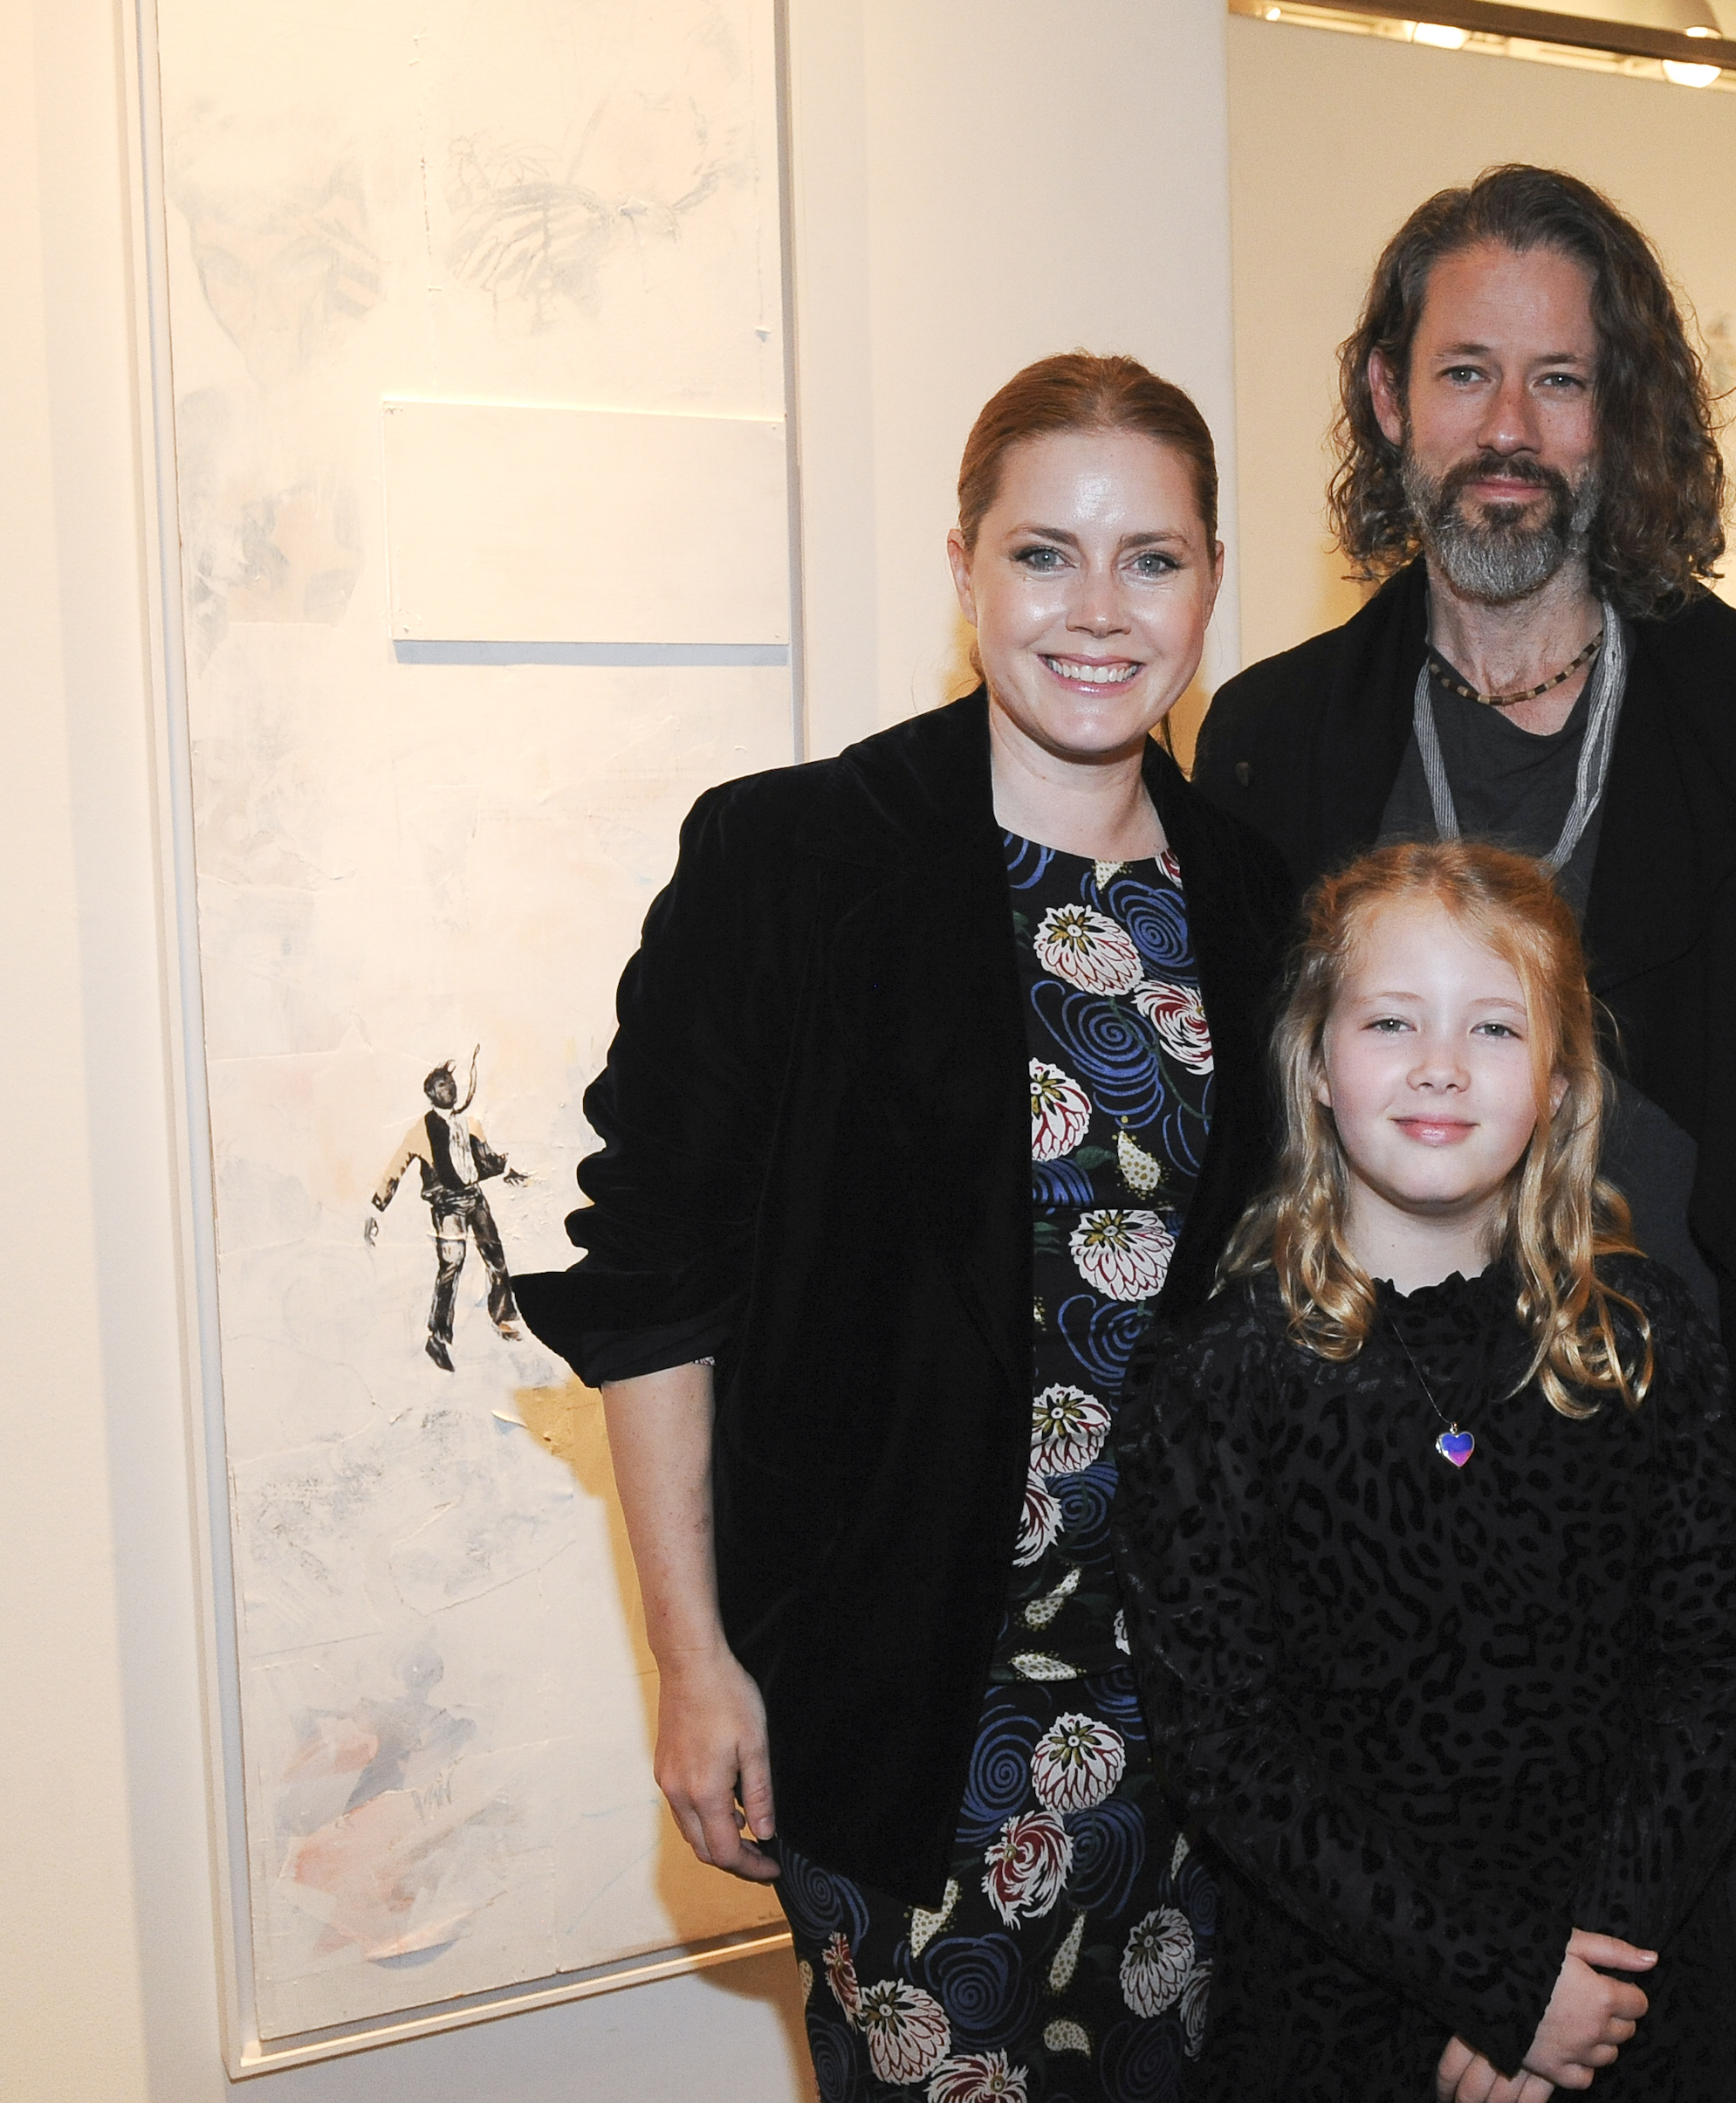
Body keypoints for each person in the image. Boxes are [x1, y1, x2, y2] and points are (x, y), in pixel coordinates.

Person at [1190, 165, 1736, 2090]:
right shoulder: (1268, 744)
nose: (1509, 433)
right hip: (1367, 1548)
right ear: (1383, 398)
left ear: (1624, 414)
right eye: (1465, 375)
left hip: (1691, 1517)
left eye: (1563, 383)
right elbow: (1242, 1164)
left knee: (1699, 2033)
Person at [514, 354, 1292, 2103]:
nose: (1098, 610)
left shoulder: (1265, 896)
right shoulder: (792, 861)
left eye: (1152, 559)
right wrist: (694, 1656)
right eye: (1045, 553)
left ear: (1211, 580)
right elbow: (657, 1288)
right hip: (908, 1712)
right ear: (963, 567)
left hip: (1204, 1734)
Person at [1114, 841, 1736, 2102]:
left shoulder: (1639, 1335)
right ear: (1315, 1062)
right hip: (1346, 1990)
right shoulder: (1222, 1377)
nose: (1438, 1065)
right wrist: (1497, 1980)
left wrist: (1571, 1983)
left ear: (1563, 1081)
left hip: (1621, 1977)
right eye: (1390, 1021)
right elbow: (1226, 1748)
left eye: (1492, 1027)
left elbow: (1715, 1672)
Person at [367, 1051, 527, 1370]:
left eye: (450, 1082)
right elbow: (397, 1165)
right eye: (441, 1084)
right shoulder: (421, 1130)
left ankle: (503, 1318)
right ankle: (437, 1338)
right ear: (431, 1094)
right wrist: (376, 1209)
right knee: (452, 1267)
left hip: (475, 1198)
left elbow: (486, 1157)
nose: (449, 1088)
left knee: (496, 1259)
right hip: (447, 1206)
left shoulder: (470, 1123)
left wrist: (508, 1171)